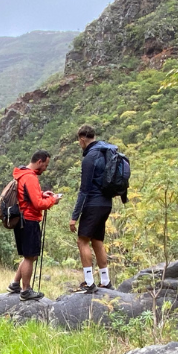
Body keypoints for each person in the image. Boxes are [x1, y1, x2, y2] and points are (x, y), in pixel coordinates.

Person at [68, 124, 116, 293]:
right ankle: (105, 281)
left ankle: (89, 282)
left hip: (93, 204)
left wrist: (74, 216)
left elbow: (84, 190)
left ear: (82, 139)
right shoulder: (106, 152)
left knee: (82, 241)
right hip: (106, 203)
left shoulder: (90, 157)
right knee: (97, 241)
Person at [7, 150, 59, 301]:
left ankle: (15, 284)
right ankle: (26, 291)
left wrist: (43, 194)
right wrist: (52, 201)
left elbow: (28, 196)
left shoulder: (21, 174)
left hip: (22, 220)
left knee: (29, 255)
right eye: (46, 165)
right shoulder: (30, 177)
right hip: (29, 220)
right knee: (30, 256)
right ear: (39, 162)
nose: (45, 168)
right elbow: (37, 204)